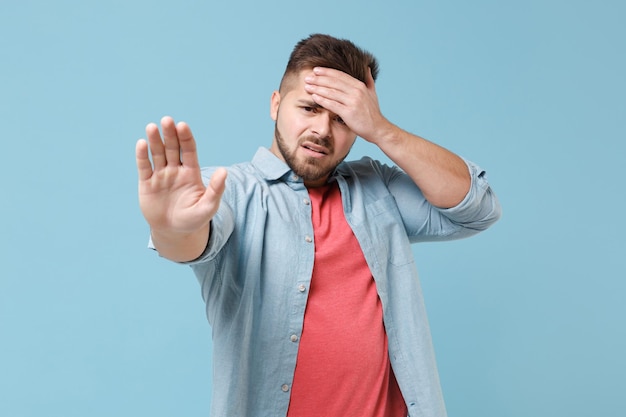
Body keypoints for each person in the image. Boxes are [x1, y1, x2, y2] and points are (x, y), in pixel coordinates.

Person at [135, 34, 501, 417]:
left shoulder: (378, 189)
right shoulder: (228, 190)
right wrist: (171, 228)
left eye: (342, 118)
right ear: (276, 104)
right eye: (309, 108)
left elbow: (478, 208)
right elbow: (194, 239)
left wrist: (381, 129)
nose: (323, 131)